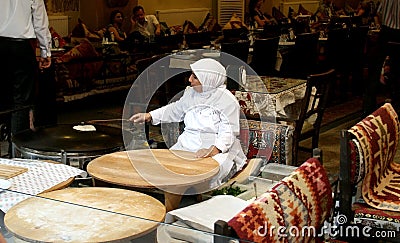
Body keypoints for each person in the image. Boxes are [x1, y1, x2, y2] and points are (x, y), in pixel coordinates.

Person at [129, 58, 247, 188]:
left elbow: (228, 131)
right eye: (191, 75)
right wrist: (150, 115)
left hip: (217, 150)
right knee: (165, 168)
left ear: (208, 80)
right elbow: (175, 109)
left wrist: (214, 149)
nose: (190, 79)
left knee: (205, 174)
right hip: (187, 144)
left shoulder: (227, 100)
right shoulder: (190, 94)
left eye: (195, 77)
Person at [0, 0, 52, 135]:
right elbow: (40, 22)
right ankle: (16, 145)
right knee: (22, 99)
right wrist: (45, 52)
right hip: (21, 47)